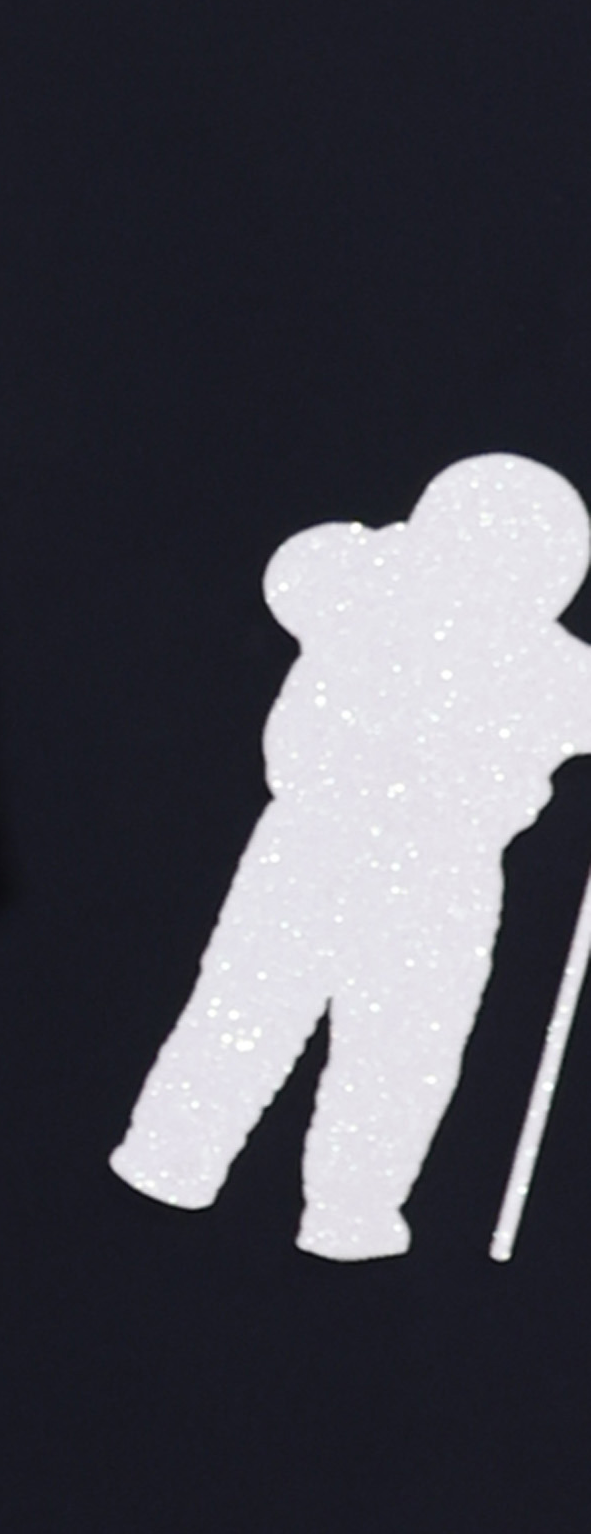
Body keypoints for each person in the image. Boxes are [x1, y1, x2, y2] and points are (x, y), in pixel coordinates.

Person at [116, 451, 591, 1260]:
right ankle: (174, 1156)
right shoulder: (373, 586)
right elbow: (297, 570)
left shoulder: (545, 663)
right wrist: (393, 551)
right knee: (249, 1007)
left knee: (402, 1048)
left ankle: (351, 1207)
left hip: (443, 872)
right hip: (317, 839)